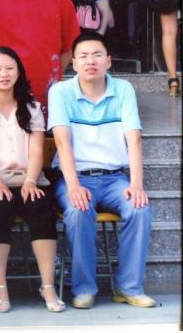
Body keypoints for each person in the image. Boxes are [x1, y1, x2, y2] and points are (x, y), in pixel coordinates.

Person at [49, 31, 155, 309]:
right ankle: (84, 289)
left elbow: (134, 139)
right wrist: (73, 186)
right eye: (83, 56)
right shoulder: (60, 92)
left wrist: (137, 185)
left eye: (97, 55)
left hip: (114, 178)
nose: (90, 61)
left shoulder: (123, 89)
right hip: (75, 178)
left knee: (140, 209)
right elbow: (62, 141)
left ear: (108, 61)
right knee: (78, 210)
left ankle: (128, 287)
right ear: (73, 62)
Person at [0, 47, 63, 314]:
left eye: (10, 68)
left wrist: (31, 181)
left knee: (41, 209)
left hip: (28, 177)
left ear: (19, 72)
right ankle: (0, 287)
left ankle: (48, 286)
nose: (4, 74)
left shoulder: (31, 107)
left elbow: (36, 151)